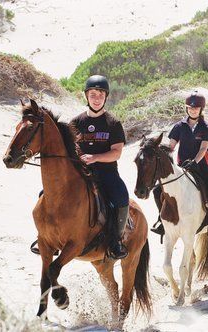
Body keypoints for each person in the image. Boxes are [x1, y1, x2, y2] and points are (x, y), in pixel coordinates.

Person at [151, 90, 208, 238]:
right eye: (190, 107)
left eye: (195, 108)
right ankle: (162, 221)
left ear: (201, 109)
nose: (193, 110)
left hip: (201, 166)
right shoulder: (179, 126)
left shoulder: (206, 128)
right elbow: (171, 147)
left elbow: (203, 148)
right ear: (186, 108)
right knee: (157, 190)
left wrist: (195, 162)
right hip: (182, 168)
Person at [70, 75, 130, 259]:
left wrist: (95, 157)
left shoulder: (113, 123)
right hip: (81, 173)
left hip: (106, 173)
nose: (97, 99)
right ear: (86, 96)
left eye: (100, 95)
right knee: (46, 193)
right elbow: (70, 149)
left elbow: (116, 153)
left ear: (106, 97)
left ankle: (116, 241)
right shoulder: (75, 123)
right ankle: (46, 236)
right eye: (93, 94)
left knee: (121, 196)